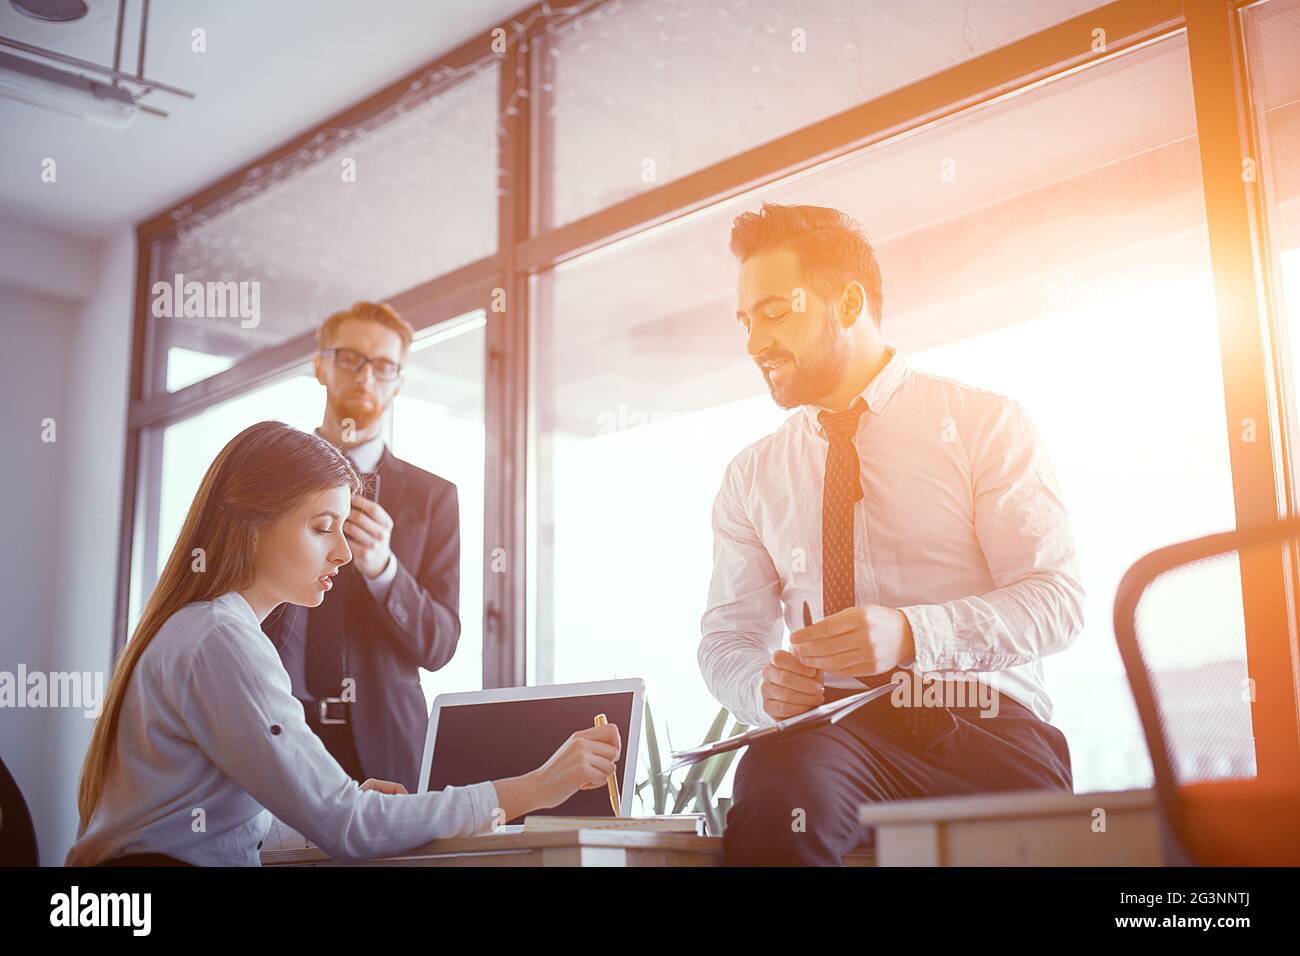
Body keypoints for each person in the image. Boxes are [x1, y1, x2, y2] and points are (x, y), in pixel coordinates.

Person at [699, 203, 1083, 866]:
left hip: (983, 720)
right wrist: (762, 685)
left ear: (847, 303)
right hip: (838, 732)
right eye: (746, 320)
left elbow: (1056, 601)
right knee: (774, 784)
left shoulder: (984, 424)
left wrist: (911, 635)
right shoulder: (751, 476)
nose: (755, 342)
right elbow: (726, 640)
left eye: (776, 311)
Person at [67, 422, 620, 866]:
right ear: (254, 525)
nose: (344, 554)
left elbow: (221, 823)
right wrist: (534, 787)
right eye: (322, 526)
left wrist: (335, 802)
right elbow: (347, 827)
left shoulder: (205, 629)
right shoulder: (223, 640)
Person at [261, 300, 458, 794]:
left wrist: (385, 571)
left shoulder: (433, 498)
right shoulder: (266, 478)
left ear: (398, 381)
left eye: (384, 366)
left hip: (387, 748)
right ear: (320, 366)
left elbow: (440, 645)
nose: (366, 377)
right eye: (350, 359)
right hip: (274, 730)